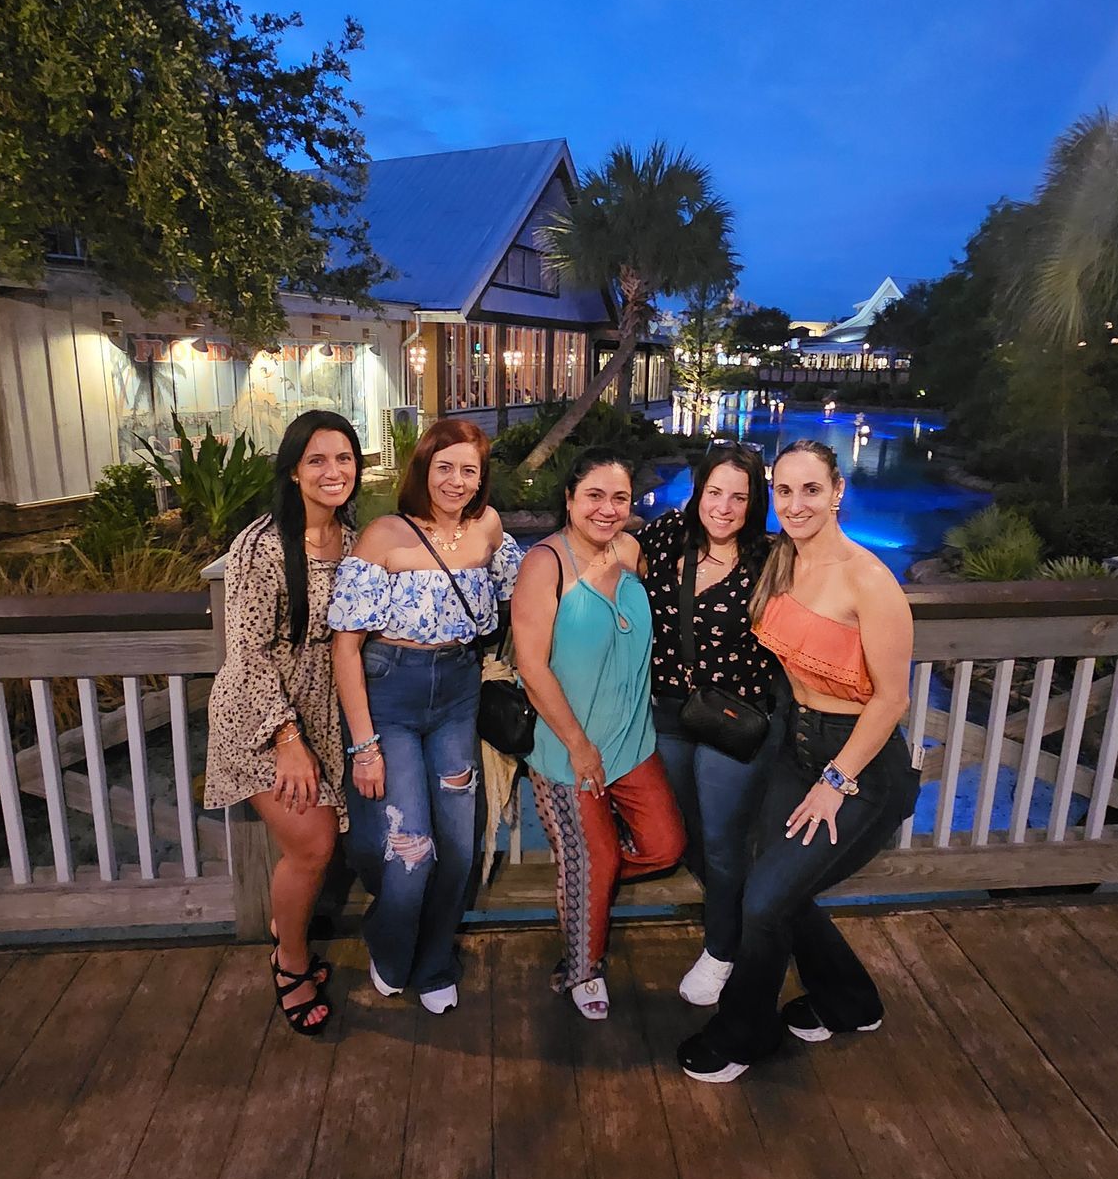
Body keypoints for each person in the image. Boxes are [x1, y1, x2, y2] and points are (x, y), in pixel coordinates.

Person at [677, 438, 920, 1082]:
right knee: (777, 889)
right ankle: (850, 1000)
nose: (796, 503)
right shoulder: (780, 560)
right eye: (783, 490)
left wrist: (838, 781)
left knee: (763, 903)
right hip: (796, 747)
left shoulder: (869, 579)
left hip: (860, 768)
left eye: (811, 489)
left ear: (838, 491)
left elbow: (892, 698)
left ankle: (741, 1034)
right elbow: (698, 535)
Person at [331, 419, 521, 1014]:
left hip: (459, 692)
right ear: (423, 470)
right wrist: (363, 746)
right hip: (391, 691)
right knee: (410, 851)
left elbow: (529, 585)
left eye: (469, 470)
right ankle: (391, 944)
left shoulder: (487, 527)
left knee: (459, 850)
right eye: (445, 467)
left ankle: (436, 958)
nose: (457, 481)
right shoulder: (385, 534)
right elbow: (345, 647)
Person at [512, 447, 685, 1020]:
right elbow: (531, 667)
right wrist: (580, 746)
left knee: (665, 847)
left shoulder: (630, 550)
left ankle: (588, 882)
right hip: (569, 752)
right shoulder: (545, 564)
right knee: (595, 859)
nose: (607, 509)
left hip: (633, 744)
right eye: (594, 495)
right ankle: (582, 969)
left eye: (619, 498)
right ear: (568, 498)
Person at [204, 410, 361, 1036]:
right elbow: (245, 653)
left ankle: (286, 931)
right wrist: (287, 740)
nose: (332, 471)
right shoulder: (262, 545)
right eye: (317, 460)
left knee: (319, 846)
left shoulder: (352, 537)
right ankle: (289, 959)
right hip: (262, 715)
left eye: (343, 458)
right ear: (294, 470)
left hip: (323, 711)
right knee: (313, 843)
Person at [637, 443, 784, 1006]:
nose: (723, 507)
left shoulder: (769, 560)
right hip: (669, 712)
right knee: (689, 834)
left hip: (734, 718)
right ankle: (747, 921)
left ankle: (723, 948)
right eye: (714, 492)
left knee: (723, 841)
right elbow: (613, 553)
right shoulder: (668, 535)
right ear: (699, 491)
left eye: (739, 497)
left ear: (754, 504)